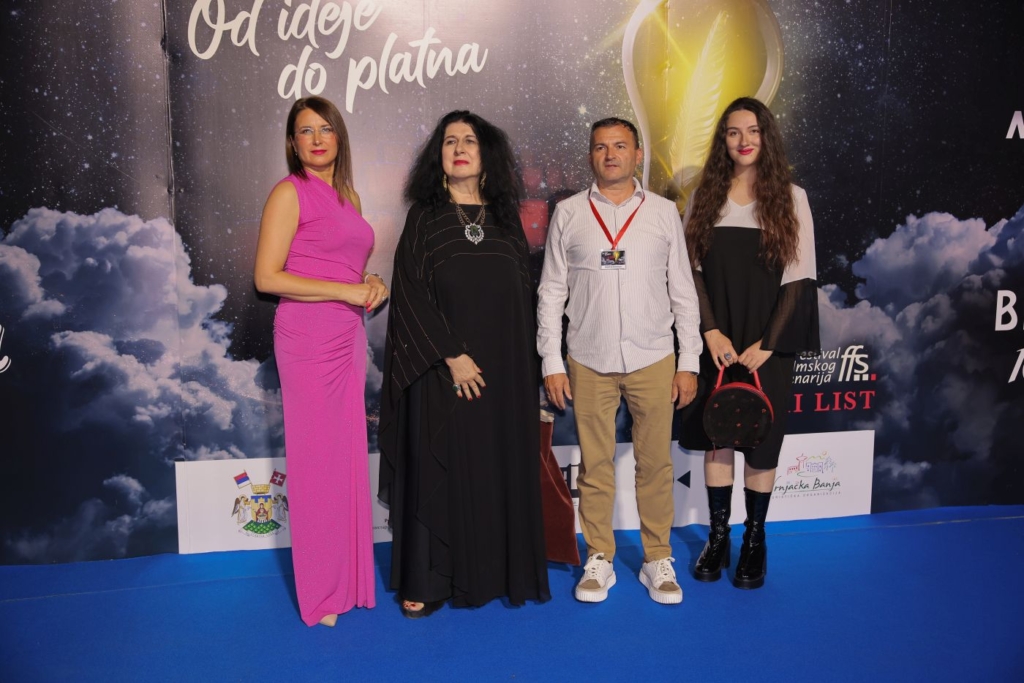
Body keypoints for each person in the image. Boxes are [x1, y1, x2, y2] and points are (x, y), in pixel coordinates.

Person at [377, 110, 551, 618]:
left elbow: (523, 300)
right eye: (450, 141)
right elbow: (410, 296)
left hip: (503, 377)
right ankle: (429, 579)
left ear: (486, 154)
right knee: (442, 470)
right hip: (442, 373)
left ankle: (496, 571)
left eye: (469, 140)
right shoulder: (424, 218)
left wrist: (524, 374)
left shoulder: (506, 220)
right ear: (438, 156)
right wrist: (453, 356)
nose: (459, 148)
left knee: (495, 469)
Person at [537, 117, 703, 605]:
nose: (610, 155)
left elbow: (683, 291)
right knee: (595, 466)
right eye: (600, 147)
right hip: (588, 358)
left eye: (620, 146)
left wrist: (689, 360)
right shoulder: (569, 212)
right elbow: (551, 291)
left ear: (637, 155)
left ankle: (657, 558)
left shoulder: (663, 212)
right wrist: (551, 361)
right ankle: (600, 558)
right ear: (591, 155)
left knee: (655, 465)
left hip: (654, 356)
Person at [253, 96, 388, 626]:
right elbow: (267, 277)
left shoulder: (348, 195)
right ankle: (321, 592)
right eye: (305, 131)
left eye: (325, 129)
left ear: (338, 138)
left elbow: (346, 266)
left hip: (346, 336)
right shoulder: (289, 192)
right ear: (292, 142)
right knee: (315, 464)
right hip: (307, 338)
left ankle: (348, 580)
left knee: (345, 460)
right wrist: (346, 291)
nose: (316, 139)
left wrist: (369, 281)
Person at [678, 97, 819, 590]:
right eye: (734, 132)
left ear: (766, 136)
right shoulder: (704, 196)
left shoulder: (792, 198)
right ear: (723, 139)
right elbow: (690, 274)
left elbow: (799, 279)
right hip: (716, 341)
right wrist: (710, 331)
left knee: (761, 445)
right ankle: (718, 538)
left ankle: (754, 541)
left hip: (767, 346)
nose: (744, 140)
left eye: (753, 131)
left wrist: (768, 344)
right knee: (716, 439)